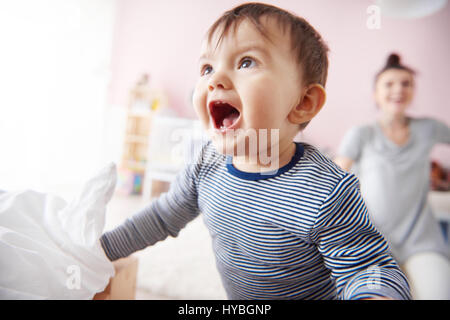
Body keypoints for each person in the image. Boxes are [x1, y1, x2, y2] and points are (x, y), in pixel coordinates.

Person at [100, 3, 411, 300]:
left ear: (303, 103)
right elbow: (161, 217)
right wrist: (102, 249)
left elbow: (367, 268)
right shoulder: (205, 164)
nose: (215, 80)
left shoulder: (326, 191)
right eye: (207, 67)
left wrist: (374, 293)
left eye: (246, 62)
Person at [334, 53, 450, 299]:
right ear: (375, 93)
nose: (398, 89)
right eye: (389, 84)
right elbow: (333, 181)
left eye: (406, 83)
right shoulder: (361, 134)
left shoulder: (429, 128)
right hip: (372, 244)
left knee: (439, 293)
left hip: (422, 241)